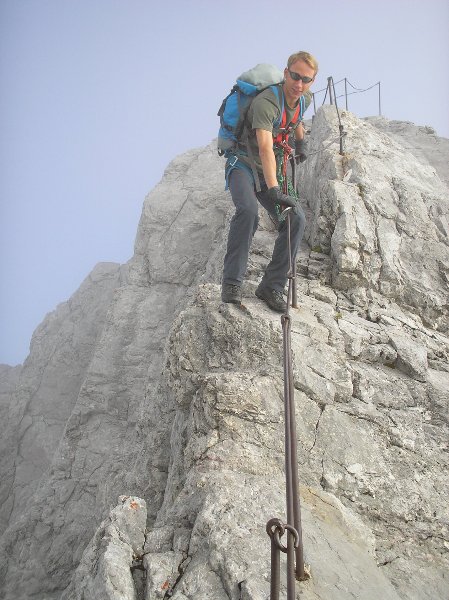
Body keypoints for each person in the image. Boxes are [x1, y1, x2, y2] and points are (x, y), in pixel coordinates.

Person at [221, 51, 318, 312]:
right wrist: (273, 189)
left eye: (306, 79)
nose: (299, 84)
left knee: (295, 218)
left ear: (312, 82)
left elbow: (296, 117)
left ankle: (272, 286)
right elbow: (264, 147)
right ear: (286, 73)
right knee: (248, 211)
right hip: (243, 163)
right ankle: (231, 283)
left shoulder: (304, 98)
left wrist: (301, 142)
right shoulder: (267, 103)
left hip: (272, 167)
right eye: (295, 76)